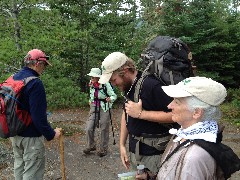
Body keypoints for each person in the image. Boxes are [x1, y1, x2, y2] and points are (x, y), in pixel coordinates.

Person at [136, 76, 229, 179]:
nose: (169, 106)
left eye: (177, 102)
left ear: (197, 112)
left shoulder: (194, 157)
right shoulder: (185, 134)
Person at [99, 52, 174, 175]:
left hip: (154, 154)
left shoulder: (151, 85)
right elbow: (127, 112)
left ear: (126, 70)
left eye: (113, 80)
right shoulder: (129, 86)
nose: (113, 84)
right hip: (135, 152)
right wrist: (122, 145)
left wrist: (141, 114)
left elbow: (175, 116)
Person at [10, 49, 61, 180]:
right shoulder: (35, 83)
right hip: (31, 137)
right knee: (33, 171)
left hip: (15, 134)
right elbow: (38, 117)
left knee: (19, 166)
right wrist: (51, 133)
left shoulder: (13, 78)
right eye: (44, 65)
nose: (44, 69)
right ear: (37, 63)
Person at [83, 68, 117, 157]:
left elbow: (114, 95)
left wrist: (111, 99)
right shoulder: (92, 85)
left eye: (93, 77)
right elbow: (92, 94)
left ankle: (103, 149)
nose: (91, 78)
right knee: (89, 127)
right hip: (94, 106)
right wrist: (90, 101)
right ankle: (91, 145)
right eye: (91, 77)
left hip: (105, 107)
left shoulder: (106, 84)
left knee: (104, 128)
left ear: (98, 77)